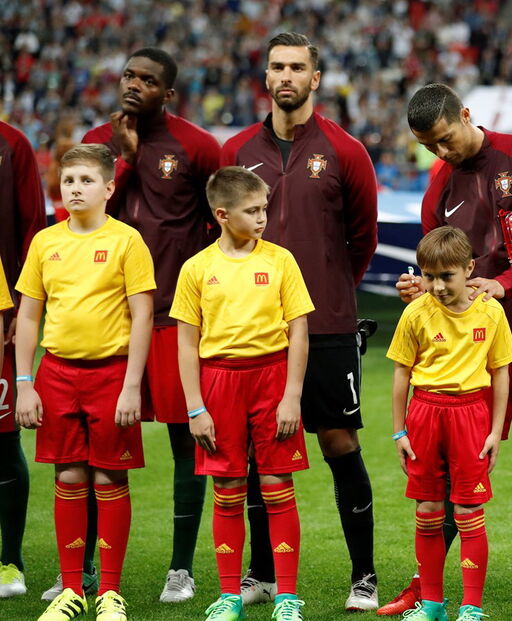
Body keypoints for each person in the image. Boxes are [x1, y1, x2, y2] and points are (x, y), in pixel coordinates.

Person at [388, 82, 512, 620]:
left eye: (445, 140)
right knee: (459, 461)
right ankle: (425, 587)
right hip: (471, 343)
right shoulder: (438, 190)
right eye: (430, 147)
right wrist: (419, 287)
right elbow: (435, 267)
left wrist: (504, 283)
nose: (442, 153)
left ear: (466, 115)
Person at [220, 32, 380, 611]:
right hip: (253, 330)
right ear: (266, 77)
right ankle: (261, 573)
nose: (286, 75)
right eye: (276, 66)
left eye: (297, 68)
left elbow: (363, 238)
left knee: (340, 442)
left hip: (328, 324)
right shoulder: (236, 149)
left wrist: (329, 289)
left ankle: (364, 575)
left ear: (316, 79)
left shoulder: (346, 150)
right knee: (260, 451)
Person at [81, 46, 221, 604]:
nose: (133, 85)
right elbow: (80, 219)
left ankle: (180, 569)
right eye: (128, 76)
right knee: (98, 443)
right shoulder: (98, 140)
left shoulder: (197, 146)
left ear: (168, 92)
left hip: (173, 319)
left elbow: (223, 223)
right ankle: (84, 568)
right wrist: (123, 161)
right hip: (106, 318)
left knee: (187, 440)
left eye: (147, 80)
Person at [15, 144, 156, 621]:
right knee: (69, 475)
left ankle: (110, 594)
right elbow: (29, 315)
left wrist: (133, 384)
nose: (75, 187)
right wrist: (25, 382)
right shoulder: (44, 242)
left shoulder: (127, 241)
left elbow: (142, 315)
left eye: (86, 180)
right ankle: (70, 589)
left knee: (110, 476)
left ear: (109, 189)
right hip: (56, 374)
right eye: (69, 180)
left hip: (111, 374)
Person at [170, 166, 314, 621]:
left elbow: (299, 331)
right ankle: (230, 595)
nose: (262, 218)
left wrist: (292, 395)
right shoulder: (197, 268)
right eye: (252, 211)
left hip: (271, 378)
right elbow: (186, 343)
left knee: (277, 485)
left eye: (264, 209)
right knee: (228, 488)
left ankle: (286, 596)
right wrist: (195, 407)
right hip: (219, 383)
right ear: (222, 214)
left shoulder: (281, 260)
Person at [387, 226, 512, 621]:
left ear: (468, 269)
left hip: (471, 416)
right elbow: (400, 374)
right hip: (425, 414)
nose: (438, 286)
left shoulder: (491, 310)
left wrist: (496, 431)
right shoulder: (415, 312)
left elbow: (501, 373)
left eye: (447, 276)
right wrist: (399, 431)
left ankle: (471, 607)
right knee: (428, 510)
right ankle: (431, 605)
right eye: (429, 276)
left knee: (467, 511)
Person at [0, 120, 45, 599]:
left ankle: (10, 561)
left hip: (2, 310)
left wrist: (21, 303)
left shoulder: (12, 144)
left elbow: (33, 225)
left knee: (2, 440)